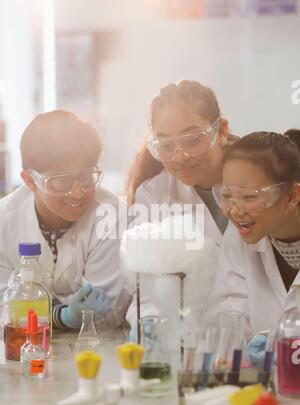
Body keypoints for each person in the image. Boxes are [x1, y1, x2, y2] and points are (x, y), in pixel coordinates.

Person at [124, 80, 239, 336]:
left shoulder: (261, 180)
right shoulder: (153, 195)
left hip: (266, 336)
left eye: (192, 140)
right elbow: (146, 288)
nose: (179, 156)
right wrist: (149, 322)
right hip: (189, 340)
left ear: (221, 130)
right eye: (166, 145)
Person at [0, 109, 128, 329]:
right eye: (61, 181)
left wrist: (34, 308)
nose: (77, 193)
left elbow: (103, 313)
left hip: (98, 350)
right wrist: (61, 316)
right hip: (24, 351)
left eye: (87, 177)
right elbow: (5, 311)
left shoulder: (113, 216)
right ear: (30, 180)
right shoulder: (5, 222)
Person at [205, 131, 300, 365]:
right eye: (227, 195)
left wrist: (282, 344)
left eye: (249, 197)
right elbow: (228, 306)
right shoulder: (239, 234)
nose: (234, 211)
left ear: (293, 195)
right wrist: (233, 343)